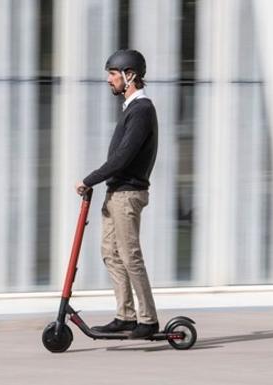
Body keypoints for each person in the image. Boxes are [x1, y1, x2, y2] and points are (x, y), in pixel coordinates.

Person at [75, 49, 159, 339]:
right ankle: (125, 316)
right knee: (110, 253)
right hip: (116, 192)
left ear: (130, 76)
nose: (109, 79)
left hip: (128, 194)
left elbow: (122, 158)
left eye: (113, 74)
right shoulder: (131, 109)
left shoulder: (142, 110)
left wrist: (90, 179)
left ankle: (148, 319)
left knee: (130, 255)